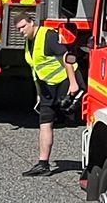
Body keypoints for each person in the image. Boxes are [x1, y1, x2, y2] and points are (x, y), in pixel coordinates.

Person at [18, 12, 80, 176]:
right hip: (47, 87)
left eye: (23, 27)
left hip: (65, 83)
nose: (21, 31)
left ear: (32, 22)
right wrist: (39, 94)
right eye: (18, 29)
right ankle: (43, 164)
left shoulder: (48, 36)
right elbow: (36, 70)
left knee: (78, 119)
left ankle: (90, 167)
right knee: (45, 121)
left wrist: (73, 83)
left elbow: (68, 57)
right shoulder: (29, 42)